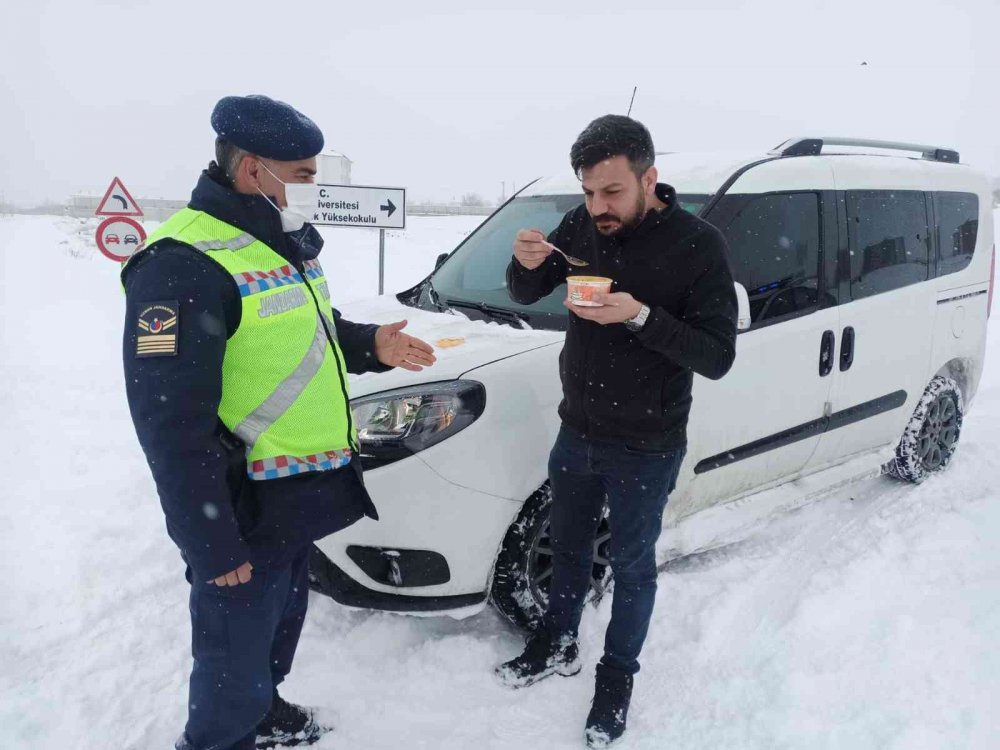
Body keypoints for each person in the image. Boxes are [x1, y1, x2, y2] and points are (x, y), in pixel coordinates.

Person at [121, 95, 436, 750]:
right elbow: (170, 424)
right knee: (231, 664)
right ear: (250, 170)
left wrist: (371, 344)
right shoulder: (183, 264)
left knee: (274, 635)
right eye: (305, 175)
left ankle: (263, 711)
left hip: (294, 502)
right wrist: (211, 545)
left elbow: (301, 339)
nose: (314, 189)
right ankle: (224, 735)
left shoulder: (277, 243)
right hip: (241, 510)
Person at [495, 115, 737, 748]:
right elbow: (528, 289)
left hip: (647, 442)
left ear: (650, 178)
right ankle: (558, 639)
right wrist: (523, 263)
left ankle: (616, 678)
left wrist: (640, 316)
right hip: (577, 428)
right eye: (587, 192)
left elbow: (717, 355)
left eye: (611, 192)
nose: (597, 207)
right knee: (570, 549)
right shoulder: (585, 224)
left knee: (632, 569)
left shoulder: (698, 245)